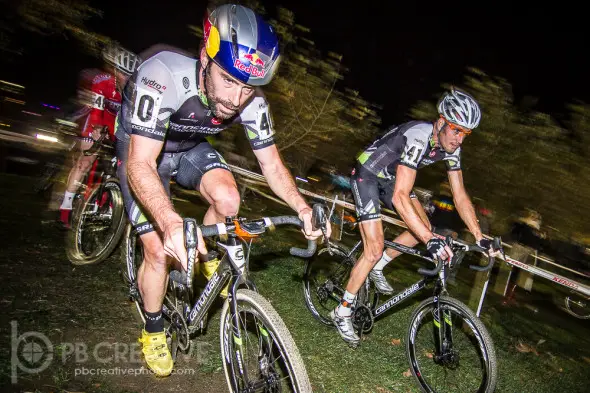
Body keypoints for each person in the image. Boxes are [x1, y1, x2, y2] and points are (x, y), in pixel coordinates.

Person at [114, 4, 328, 376]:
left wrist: (302, 208)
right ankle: (152, 327)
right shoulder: (161, 74)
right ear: (204, 57)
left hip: (189, 147)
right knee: (157, 248)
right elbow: (141, 164)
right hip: (144, 151)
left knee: (229, 198)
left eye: (248, 87)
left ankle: (210, 256)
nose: (235, 99)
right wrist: (169, 222)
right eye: (228, 80)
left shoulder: (251, 100)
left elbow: (273, 166)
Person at [332, 87, 498, 345]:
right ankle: (342, 310)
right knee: (375, 247)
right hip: (368, 175)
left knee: (423, 227)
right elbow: (401, 195)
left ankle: (380, 265)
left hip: (390, 180)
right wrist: (429, 238)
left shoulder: (452, 148)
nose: (460, 140)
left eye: (466, 134)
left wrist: (479, 236)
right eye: (457, 130)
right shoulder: (419, 136)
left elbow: (460, 196)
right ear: (442, 121)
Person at [58, 43, 141, 228]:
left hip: (117, 123)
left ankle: (108, 199)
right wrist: (96, 130)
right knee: (85, 161)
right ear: (114, 70)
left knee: (122, 164)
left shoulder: (136, 89)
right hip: (98, 118)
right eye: (122, 73)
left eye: (130, 75)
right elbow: (96, 111)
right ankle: (66, 207)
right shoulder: (102, 81)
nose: (125, 78)